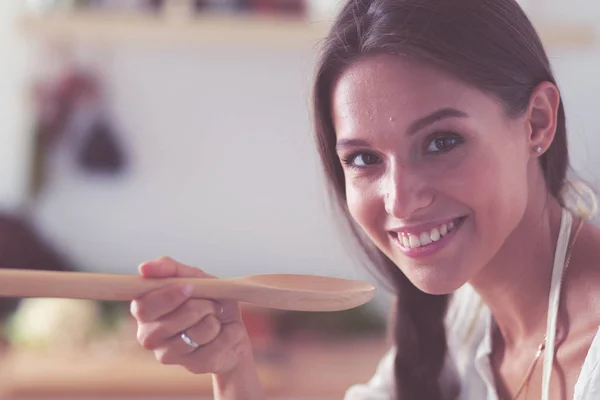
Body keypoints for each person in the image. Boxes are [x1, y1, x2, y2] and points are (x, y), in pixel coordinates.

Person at [130, 0, 600, 399]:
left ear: (536, 122)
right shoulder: (461, 316)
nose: (400, 199)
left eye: (441, 142)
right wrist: (231, 366)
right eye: (364, 159)